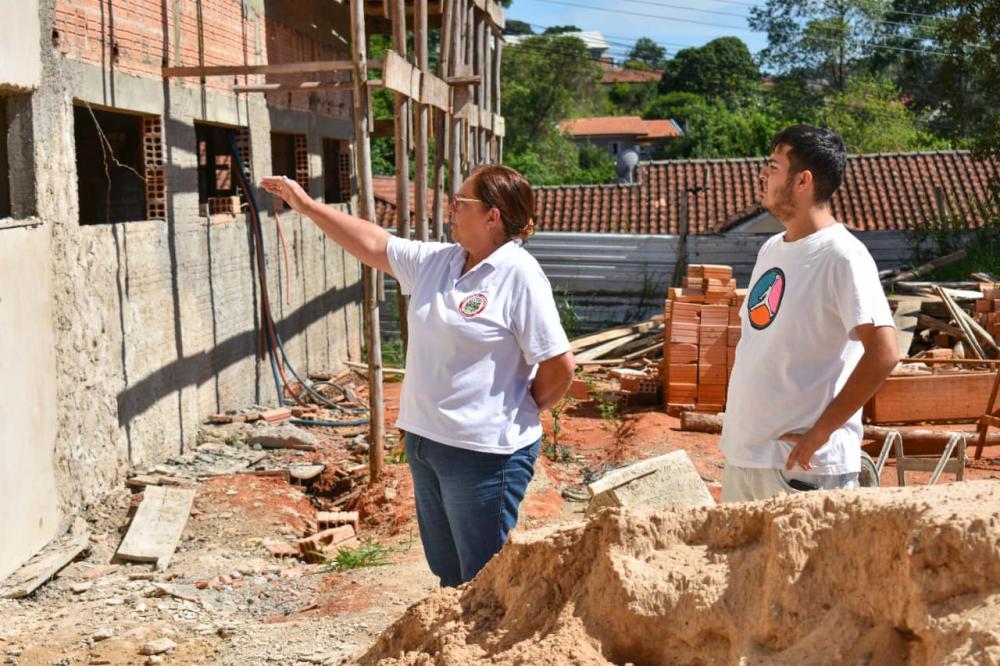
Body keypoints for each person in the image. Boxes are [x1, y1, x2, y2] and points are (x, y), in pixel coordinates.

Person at [261, 165, 575, 586]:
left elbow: (559, 365)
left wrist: (515, 408)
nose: (450, 209)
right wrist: (307, 206)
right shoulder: (440, 262)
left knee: (482, 579)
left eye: (460, 203)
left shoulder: (519, 275)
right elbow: (374, 242)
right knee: (448, 572)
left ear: (492, 216)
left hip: (483, 455)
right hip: (427, 444)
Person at [719, 125, 898, 503]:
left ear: (803, 181)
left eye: (773, 166)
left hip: (804, 471)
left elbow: (884, 352)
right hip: (747, 458)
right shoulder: (771, 248)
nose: (762, 174)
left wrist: (820, 433)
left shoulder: (842, 256)